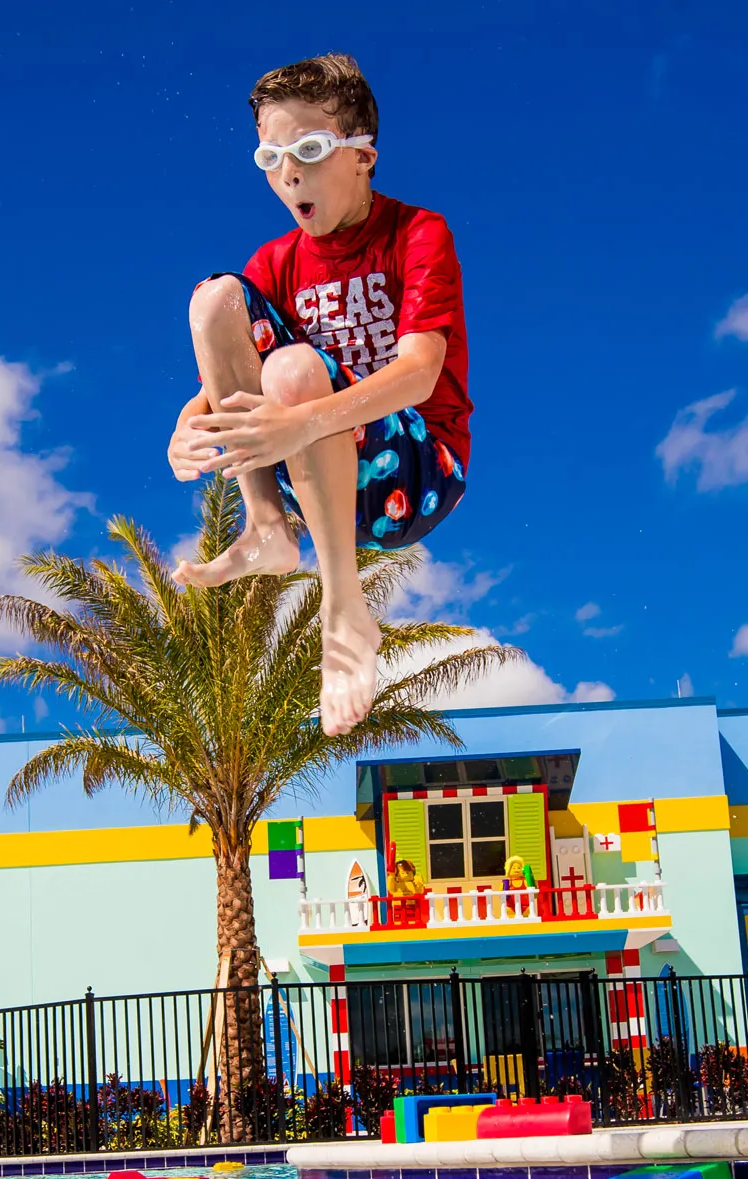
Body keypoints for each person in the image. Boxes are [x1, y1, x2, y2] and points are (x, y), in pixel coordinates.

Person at [168, 53, 473, 737]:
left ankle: (345, 612)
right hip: (313, 476)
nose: (289, 173)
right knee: (216, 300)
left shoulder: (417, 234)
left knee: (297, 374)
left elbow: (422, 370)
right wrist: (186, 427)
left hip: (417, 472)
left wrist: (300, 417)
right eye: (270, 155)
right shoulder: (274, 263)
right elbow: (219, 389)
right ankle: (267, 528)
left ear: (364, 155)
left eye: (309, 149)